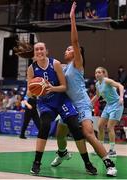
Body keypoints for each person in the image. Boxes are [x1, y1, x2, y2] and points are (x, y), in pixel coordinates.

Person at [51, 1, 117, 177]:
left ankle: (108, 163)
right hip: (67, 104)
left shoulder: (77, 64)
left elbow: (75, 39)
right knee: (59, 135)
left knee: (88, 133)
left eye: (70, 48)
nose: (67, 49)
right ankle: (62, 153)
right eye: (66, 49)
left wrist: (72, 18)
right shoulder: (63, 67)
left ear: (77, 52)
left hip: (81, 103)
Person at [26, 42, 97, 175]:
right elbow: (29, 93)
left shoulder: (55, 63)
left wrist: (51, 88)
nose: (39, 51)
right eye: (37, 49)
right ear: (34, 53)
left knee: (75, 128)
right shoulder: (31, 68)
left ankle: (87, 163)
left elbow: (64, 87)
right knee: (45, 125)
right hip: (45, 103)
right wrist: (36, 90)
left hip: (61, 99)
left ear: (46, 51)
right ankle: (36, 162)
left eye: (41, 49)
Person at [92, 66, 124, 157]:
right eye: (96, 72)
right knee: (100, 126)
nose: (97, 74)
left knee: (110, 127)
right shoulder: (97, 84)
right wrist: (89, 103)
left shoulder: (107, 81)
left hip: (117, 104)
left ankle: (112, 150)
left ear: (103, 73)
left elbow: (120, 86)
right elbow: (97, 96)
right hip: (108, 105)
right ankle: (100, 148)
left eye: (99, 72)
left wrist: (121, 97)